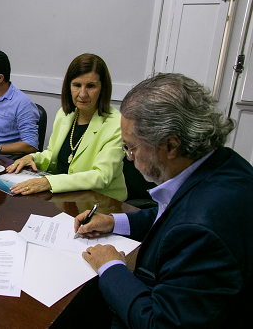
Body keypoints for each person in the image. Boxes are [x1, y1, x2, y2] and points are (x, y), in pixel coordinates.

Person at [76, 73, 252, 328]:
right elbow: (172, 213)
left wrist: (111, 267)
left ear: (171, 145)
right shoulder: (223, 163)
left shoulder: (200, 232)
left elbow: (160, 323)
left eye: (131, 147)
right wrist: (115, 221)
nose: (129, 157)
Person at [6, 54, 126, 201]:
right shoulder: (65, 114)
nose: (82, 94)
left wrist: (49, 182)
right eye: (77, 85)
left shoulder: (117, 124)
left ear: (102, 88)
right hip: (66, 197)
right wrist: (32, 157)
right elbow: (52, 154)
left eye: (91, 86)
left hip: (100, 202)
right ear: (68, 86)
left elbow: (101, 176)